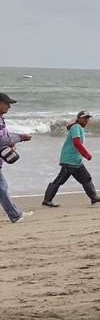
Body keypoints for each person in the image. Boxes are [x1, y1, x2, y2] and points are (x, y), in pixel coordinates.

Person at [41, 111, 100, 207]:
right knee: (61, 180)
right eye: (84, 118)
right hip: (70, 160)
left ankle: (94, 197)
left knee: (85, 178)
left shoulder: (77, 127)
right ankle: (47, 200)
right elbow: (76, 142)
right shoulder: (76, 127)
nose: (86, 120)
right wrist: (87, 155)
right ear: (79, 118)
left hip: (74, 160)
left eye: (87, 118)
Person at [0, 93, 34, 224]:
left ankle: (16, 214)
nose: (9, 106)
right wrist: (20, 138)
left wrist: (11, 142)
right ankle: (15, 216)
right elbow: (1, 139)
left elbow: (5, 136)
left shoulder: (1, 119)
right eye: (7, 103)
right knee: (2, 187)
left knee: (2, 187)